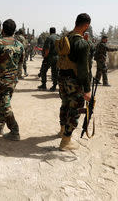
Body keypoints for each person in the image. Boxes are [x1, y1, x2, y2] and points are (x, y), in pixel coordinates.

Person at [56, 13, 92, 151]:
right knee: (75, 109)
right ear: (86, 25)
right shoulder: (81, 43)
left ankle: (62, 130)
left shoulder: (66, 38)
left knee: (64, 104)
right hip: (74, 82)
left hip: (62, 78)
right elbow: (84, 69)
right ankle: (66, 141)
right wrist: (87, 89)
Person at [0, 19, 24, 140]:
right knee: (4, 102)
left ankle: (14, 131)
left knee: (4, 105)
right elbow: (21, 62)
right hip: (13, 80)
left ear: (3, 29)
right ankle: (0, 125)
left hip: (1, 79)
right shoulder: (20, 45)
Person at [38, 27, 60, 91]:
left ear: (50, 31)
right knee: (55, 72)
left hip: (50, 57)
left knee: (43, 70)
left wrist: (45, 56)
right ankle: (54, 86)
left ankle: (44, 85)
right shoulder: (59, 37)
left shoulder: (49, 38)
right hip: (57, 57)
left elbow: (47, 49)